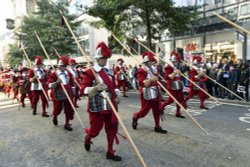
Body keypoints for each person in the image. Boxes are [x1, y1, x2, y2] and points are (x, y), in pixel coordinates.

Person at [81, 42, 122, 161]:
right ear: (97, 58)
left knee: (112, 129)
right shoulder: (90, 72)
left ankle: (110, 151)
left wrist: (117, 94)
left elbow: (114, 86)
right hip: (97, 106)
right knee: (95, 131)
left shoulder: (109, 71)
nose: (104, 60)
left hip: (110, 105)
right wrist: (95, 88)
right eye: (102, 58)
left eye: (106, 58)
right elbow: (83, 90)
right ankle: (88, 137)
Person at [132, 52, 167, 133]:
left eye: (152, 61)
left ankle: (157, 126)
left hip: (155, 92)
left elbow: (158, 79)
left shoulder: (154, 69)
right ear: (146, 62)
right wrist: (151, 79)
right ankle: (135, 116)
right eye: (150, 61)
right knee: (144, 112)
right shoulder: (142, 70)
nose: (152, 62)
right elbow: (141, 82)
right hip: (146, 93)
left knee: (157, 110)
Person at [48, 56, 74, 131]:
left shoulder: (68, 73)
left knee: (68, 109)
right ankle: (55, 116)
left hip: (68, 92)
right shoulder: (54, 74)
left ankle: (66, 124)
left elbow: (71, 83)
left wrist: (72, 89)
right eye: (61, 66)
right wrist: (56, 82)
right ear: (59, 66)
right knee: (57, 109)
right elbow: (50, 85)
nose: (62, 67)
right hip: (58, 92)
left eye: (64, 66)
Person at [162, 51, 185, 118]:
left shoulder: (176, 67)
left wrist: (179, 75)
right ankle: (162, 107)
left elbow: (177, 76)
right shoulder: (169, 67)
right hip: (172, 86)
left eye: (177, 61)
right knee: (170, 100)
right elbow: (167, 77)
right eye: (175, 61)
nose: (176, 63)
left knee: (179, 99)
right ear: (172, 61)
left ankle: (178, 112)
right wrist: (175, 73)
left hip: (178, 85)